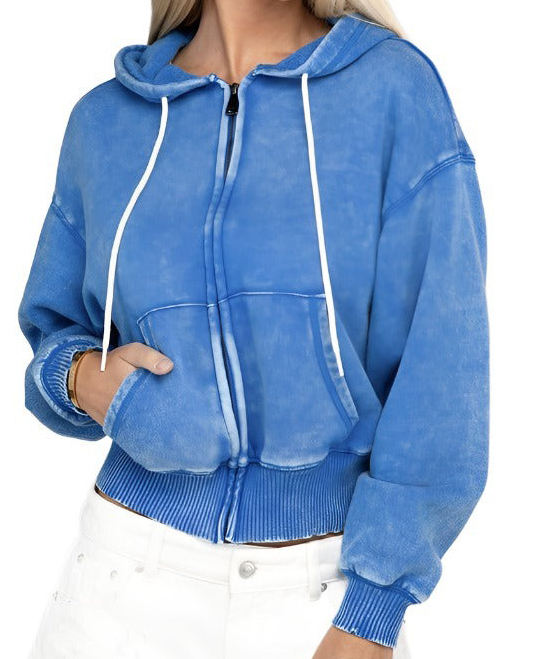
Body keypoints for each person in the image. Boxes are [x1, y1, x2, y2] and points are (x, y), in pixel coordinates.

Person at [19, 1, 489, 657]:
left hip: (320, 590)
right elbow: (55, 326)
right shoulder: (107, 120)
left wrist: (372, 611)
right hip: (120, 575)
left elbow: (442, 371)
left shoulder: (392, 90)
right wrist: (77, 379)